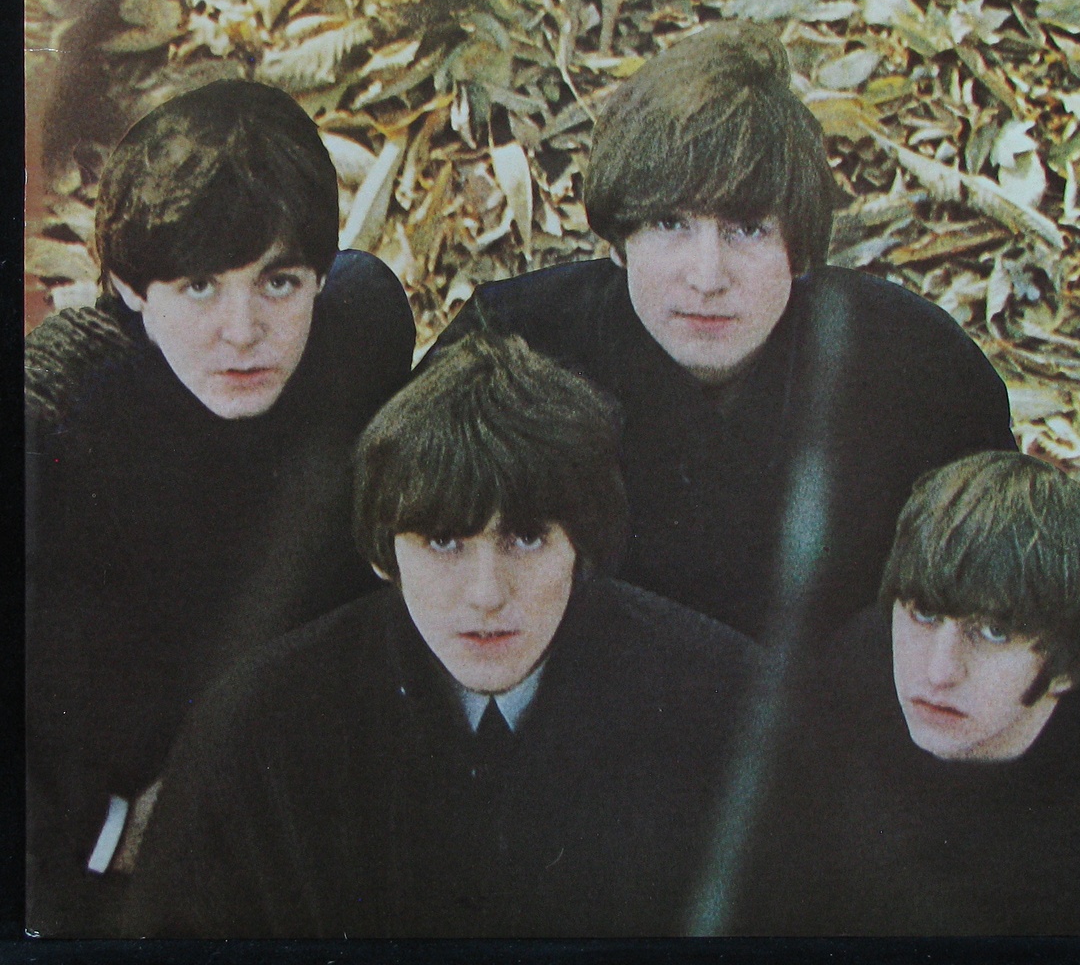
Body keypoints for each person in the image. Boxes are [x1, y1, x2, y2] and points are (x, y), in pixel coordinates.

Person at [123, 333, 759, 938]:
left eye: (527, 537)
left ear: (581, 543)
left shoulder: (728, 706)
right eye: (443, 541)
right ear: (385, 554)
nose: (486, 593)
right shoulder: (258, 726)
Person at [428, 21, 1015, 642]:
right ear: (619, 240)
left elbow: (1014, 596)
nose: (707, 277)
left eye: (748, 229)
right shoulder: (514, 342)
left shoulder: (915, 368)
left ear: (798, 248)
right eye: (669, 224)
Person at [26, 80, 416, 935]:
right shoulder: (53, 423)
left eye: (279, 281)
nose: (243, 330)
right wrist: (104, 830)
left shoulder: (362, 328)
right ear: (130, 287)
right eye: (200, 286)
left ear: (320, 276)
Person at [733, 451, 1080, 935]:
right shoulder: (833, 699)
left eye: (994, 632)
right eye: (924, 614)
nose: (938, 673)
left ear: (1068, 664)